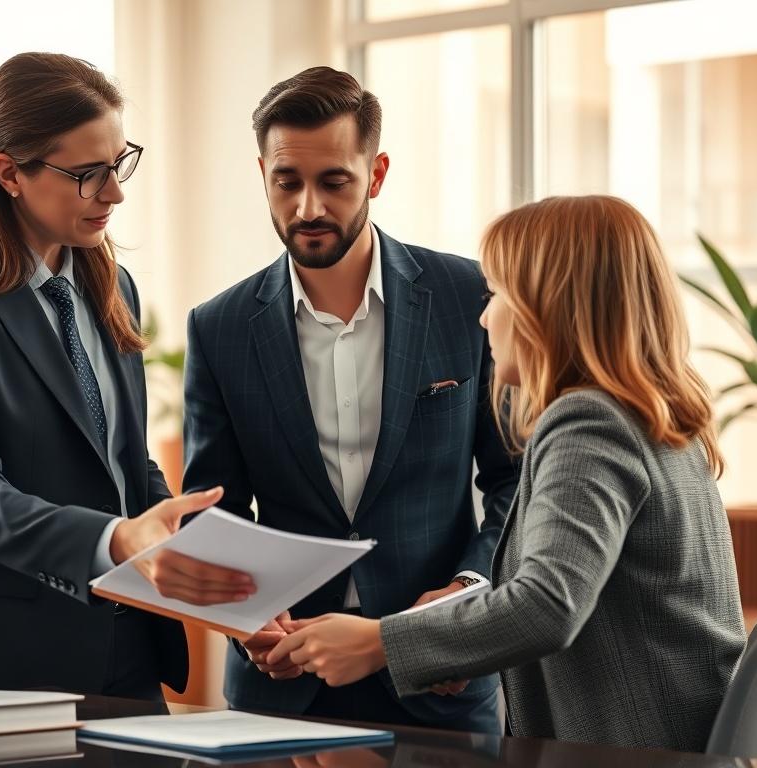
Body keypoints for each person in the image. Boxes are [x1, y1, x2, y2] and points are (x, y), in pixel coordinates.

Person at [268, 195, 747, 752]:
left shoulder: (588, 423)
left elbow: (548, 604)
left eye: (497, 295)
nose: (482, 317)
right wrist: (453, 644)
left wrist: (379, 643)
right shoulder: (652, 414)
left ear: (550, 307)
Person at [0, 52, 254, 700]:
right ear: (9, 174)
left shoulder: (111, 285)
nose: (115, 193)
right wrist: (115, 539)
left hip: (124, 655)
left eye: (119, 164)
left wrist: (219, 576)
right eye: (88, 175)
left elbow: (123, 466)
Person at [181, 66, 518, 733]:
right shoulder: (218, 328)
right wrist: (247, 618)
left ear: (377, 172)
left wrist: (466, 592)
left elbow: (515, 479)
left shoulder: (467, 298)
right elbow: (210, 511)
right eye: (287, 182)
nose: (308, 206)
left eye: (334, 181)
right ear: (263, 176)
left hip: (439, 675)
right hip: (281, 683)